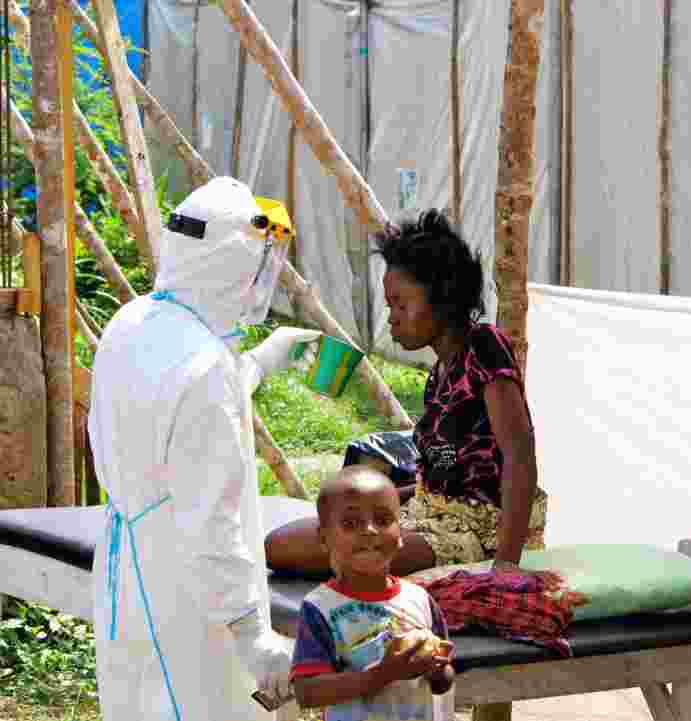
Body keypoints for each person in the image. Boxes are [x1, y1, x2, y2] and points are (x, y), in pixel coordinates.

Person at [89, 177, 322, 721]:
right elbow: (211, 523)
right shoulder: (206, 371)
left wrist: (260, 361)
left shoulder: (135, 321)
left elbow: (170, 404)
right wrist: (251, 633)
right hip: (187, 591)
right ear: (232, 266)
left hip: (128, 565)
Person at [266, 208, 547, 577]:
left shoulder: (484, 348)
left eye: (401, 304)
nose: (392, 318)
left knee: (312, 546)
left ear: (443, 298)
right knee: (288, 540)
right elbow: (438, 481)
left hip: (482, 532)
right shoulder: (439, 375)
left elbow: (519, 455)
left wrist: (506, 564)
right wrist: (370, 503)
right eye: (390, 306)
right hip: (430, 516)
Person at [290, 466, 455, 720]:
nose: (369, 530)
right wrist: (382, 675)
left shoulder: (419, 598)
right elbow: (307, 692)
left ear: (401, 534)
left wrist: (438, 670)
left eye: (382, 520)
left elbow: (443, 680)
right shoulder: (320, 608)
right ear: (325, 538)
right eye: (351, 523)